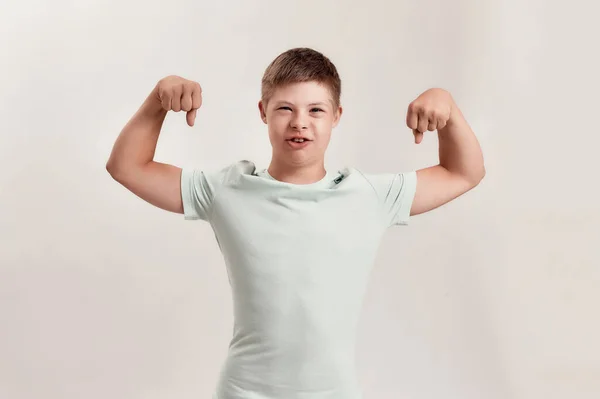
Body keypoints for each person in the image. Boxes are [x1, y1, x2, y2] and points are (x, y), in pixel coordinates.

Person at [106, 47, 485, 399]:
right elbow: (127, 167)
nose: (299, 123)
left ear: (337, 116)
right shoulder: (227, 189)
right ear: (263, 112)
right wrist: (158, 100)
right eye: (285, 108)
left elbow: (463, 172)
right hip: (244, 391)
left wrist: (446, 103)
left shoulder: (368, 195)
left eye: (316, 110)